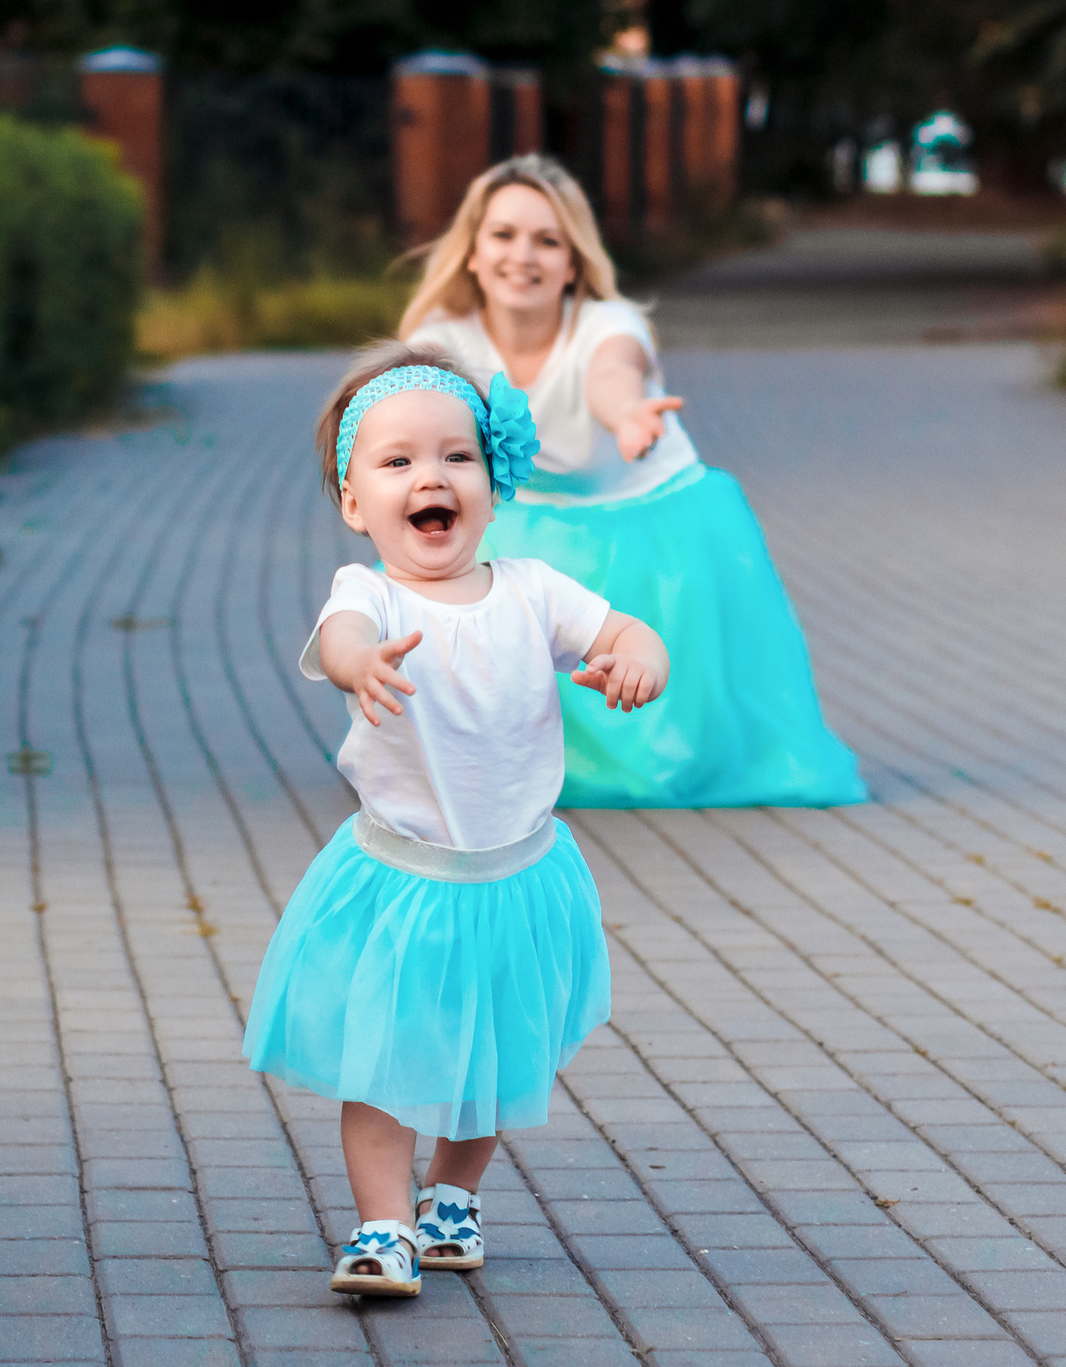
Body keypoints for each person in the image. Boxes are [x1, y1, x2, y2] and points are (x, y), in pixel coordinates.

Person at [240, 344, 670, 1297]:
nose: (430, 477)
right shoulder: (370, 594)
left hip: (517, 878)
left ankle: (453, 1197)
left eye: (456, 456)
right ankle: (383, 1225)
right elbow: (342, 639)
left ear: (493, 480)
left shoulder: (533, 590)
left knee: (492, 1058)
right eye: (397, 461)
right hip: (404, 881)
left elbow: (623, 629)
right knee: (385, 1061)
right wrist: (358, 664)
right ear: (355, 502)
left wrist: (642, 657)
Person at [401, 154, 865, 809]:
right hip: (524, 520)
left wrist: (628, 415)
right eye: (503, 235)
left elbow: (612, 374)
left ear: (573, 263)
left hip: (647, 516)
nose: (523, 255)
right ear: (473, 253)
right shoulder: (440, 343)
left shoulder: (608, 324)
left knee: (659, 756)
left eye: (547, 240)